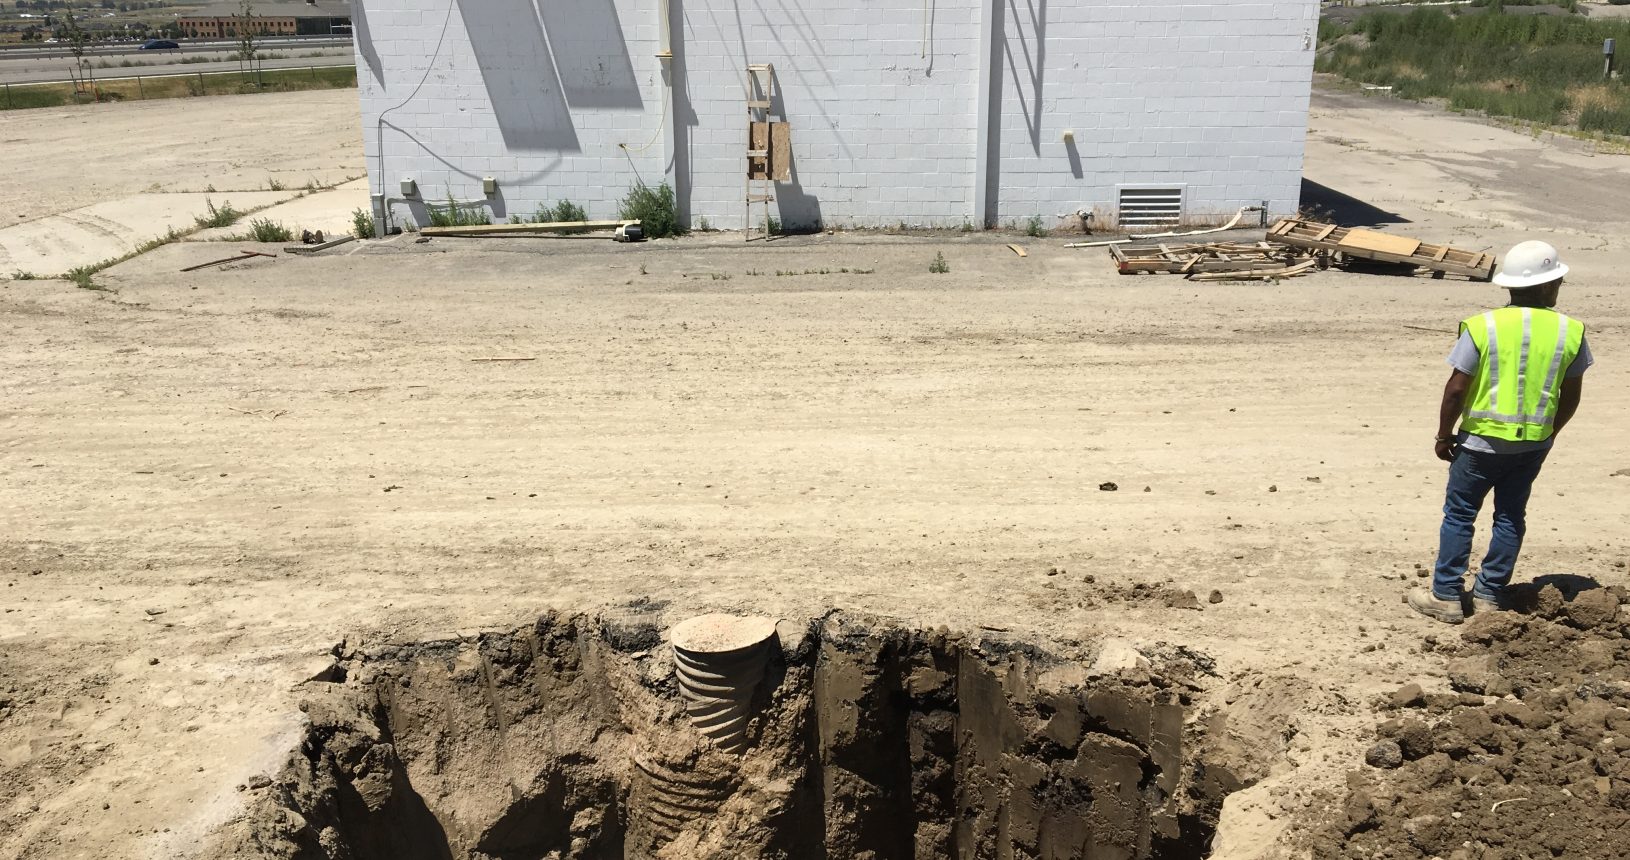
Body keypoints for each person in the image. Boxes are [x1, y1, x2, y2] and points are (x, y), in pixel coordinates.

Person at [1408, 240, 1593, 624]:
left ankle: (1446, 596)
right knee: (1510, 516)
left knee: (1460, 515)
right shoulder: (1570, 331)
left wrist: (1444, 435)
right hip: (1531, 446)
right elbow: (1570, 395)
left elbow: (1456, 388)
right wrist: (1548, 434)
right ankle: (1489, 596)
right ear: (1546, 286)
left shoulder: (1483, 326)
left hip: (1478, 444)